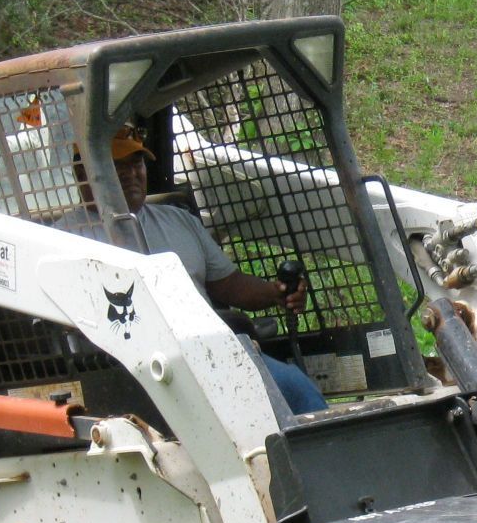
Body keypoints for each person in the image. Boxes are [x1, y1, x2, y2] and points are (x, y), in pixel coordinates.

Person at [59, 126, 330, 414]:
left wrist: (277, 293)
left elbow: (228, 284)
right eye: (116, 165)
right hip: (129, 368)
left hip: (209, 353)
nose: (130, 173)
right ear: (82, 173)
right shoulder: (65, 238)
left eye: (135, 163)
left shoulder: (178, 221)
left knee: (294, 388)